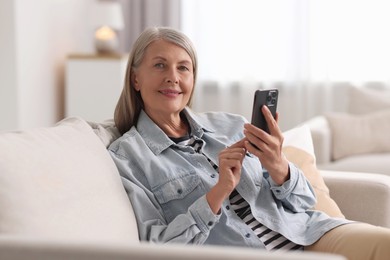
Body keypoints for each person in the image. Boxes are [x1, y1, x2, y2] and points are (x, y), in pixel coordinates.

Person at [108, 26, 390, 259]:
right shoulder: (127, 156)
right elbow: (156, 247)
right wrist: (218, 193)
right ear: (135, 78)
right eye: (160, 65)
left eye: (184, 68)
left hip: (307, 234)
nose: (173, 77)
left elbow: (305, 201)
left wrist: (278, 165)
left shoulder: (230, 125)